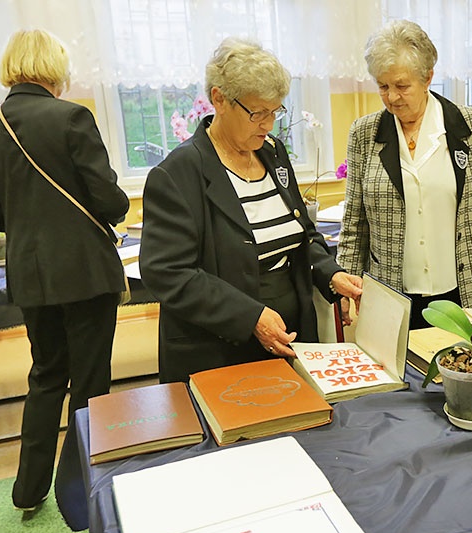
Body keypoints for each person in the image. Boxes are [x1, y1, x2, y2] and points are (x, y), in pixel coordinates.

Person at [0, 30, 129, 529]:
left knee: (45, 377)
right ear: (52, 67)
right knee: (90, 381)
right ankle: (84, 486)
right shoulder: (72, 117)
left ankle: (28, 489)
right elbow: (109, 201)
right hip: (84, 271)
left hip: (31, 276)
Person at [140, 38, 362, 384]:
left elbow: (302, 232)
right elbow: (166, 273)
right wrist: (250, 317)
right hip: (218, 348)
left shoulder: (271, 153)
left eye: (276, 111)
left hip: (290, 335)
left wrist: (329, 273)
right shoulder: (178, 173)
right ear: (219, 99)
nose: (268, 124)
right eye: (258, 113)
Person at [337, 20, 472, 330]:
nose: (392, 97)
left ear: (427, 78)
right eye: (383, 86)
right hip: (395, 290)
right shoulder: (364, 134)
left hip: (471, 283)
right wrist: (346, 281)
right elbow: (355, 221)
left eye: (401, 85)